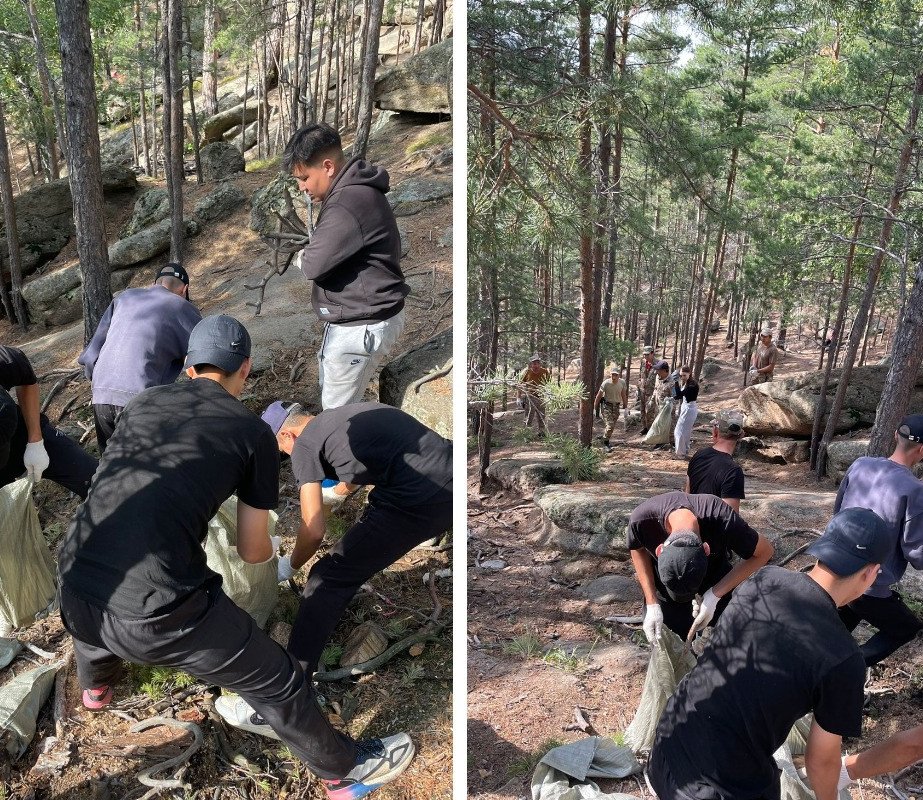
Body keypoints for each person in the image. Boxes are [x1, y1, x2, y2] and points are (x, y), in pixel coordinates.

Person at [56, 315, 414, 799]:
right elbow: (250, 548)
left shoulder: (143, 402)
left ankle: (95, 691)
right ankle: (345, 773)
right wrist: (279, 558)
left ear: (188, 369)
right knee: (279, 680)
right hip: (158, 612)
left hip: (73, 585)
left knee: (97, 605)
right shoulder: (251, 432)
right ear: (244, 369)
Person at [217, 399, 451, 734]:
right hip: (448, 471)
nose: (285, 457)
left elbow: (313, 529)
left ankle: (287, 699)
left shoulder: (304, 447)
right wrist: (337, 494)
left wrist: (291, 566)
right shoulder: (345, 416)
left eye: (281, 449)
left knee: (326, 578)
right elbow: (361, 464)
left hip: (419, 501)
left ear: (289, 436)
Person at [648, 508, 891, 800]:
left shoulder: (765, 579)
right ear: (870, 573)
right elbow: (820, 762)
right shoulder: (844, 658)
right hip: (715, 789)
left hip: (667, 744)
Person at [284, 123, 409, 410]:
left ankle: (343, 454)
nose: (302, 187)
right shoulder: (355, 190)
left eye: (304, 177)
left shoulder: (346, 203)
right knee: (334, 402)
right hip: (357, 316)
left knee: (336, 417)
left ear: (327, 166)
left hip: (361, 324)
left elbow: (312, 265)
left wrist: (304, 255)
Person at [78, 263, 201, 451]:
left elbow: (90, 356)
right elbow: (202, 357)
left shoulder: (124, 297)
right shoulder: (182, 307)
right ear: (185, 290)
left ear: (154, 284)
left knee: (111, 470)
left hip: (101, 395)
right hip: (141, 400)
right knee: (148, 469)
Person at [831, 413, 923, 666]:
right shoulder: (914, 489)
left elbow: (837, 512)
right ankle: (846, 670)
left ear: (895, 436)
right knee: (905, 628)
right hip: (868, 584)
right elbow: (916, 553)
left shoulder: (860, 463)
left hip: (835, 569)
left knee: (833, 631)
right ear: (922, 449)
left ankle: (811, 674)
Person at [628, 490, 773, 643]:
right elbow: (637, 548)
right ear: (659, 550)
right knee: (667, 646)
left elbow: (764, 552)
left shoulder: (721, 518)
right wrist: (652, 603)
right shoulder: (642, 520)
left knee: (717, 648)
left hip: (714, 581)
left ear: (706, 548)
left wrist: (715, 595)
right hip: (666, 588)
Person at [0, 345, 97, 498]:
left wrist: (35, 440)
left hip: (21, 432)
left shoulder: (5, 361)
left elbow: (26, 380)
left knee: (95, 479)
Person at [685, 410, 746, 512]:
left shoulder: (698, 455)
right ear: (741, 434)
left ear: (715, 432)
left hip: (690, 521)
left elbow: (687, 493)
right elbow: (730, 517)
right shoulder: (733, 470)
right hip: (712, 527)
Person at [594, 365, 628, 451]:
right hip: (606, 406)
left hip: (616, 406)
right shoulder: (606, 383)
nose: (614, 377)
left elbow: (623, 394)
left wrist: (625, 405)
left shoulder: (622, 382)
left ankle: (604, 438)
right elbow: (598, 396)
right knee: (610, 425)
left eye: (616, 375)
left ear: (619, 375)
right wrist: (595, 408)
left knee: (611, 426)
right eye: (612, 374)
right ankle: (605, 443)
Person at [642, 361, 673, 448]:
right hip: (657, 407)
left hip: (667, 410)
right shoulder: (657, 377)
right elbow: (655, 390)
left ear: (664, 370)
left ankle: (671, 442)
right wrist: (651, 401)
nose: (656, 372)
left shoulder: (672, 382)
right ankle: (660, 442)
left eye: (658, 370)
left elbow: (675, 397)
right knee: (658, 425)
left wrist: (669, 408)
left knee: (668, 426)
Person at [519, 355, 550, 436]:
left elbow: (549, 384)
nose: (535, 365)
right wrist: (518, 398)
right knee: (528, 417)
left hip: (541, 397)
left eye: (537, 363)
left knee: (542, 416)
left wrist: (548, 394)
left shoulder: (545, 371)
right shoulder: (527, 372)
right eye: (533, 363)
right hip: (530, 398)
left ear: (539, 364)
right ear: (531, 364)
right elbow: (520, 384)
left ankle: (542, 433)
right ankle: (527, 434)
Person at [672, 366, 698, 459]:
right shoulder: (687, 383)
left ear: (689, 373)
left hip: (689, 409)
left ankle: (680, 454)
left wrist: (675, 382)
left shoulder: (693, 385)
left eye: (684, 375)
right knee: (685, 432)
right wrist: (672, 398)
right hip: (686, 408)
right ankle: (684, 451)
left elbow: (679, 395)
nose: (682, 377)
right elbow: (679, 396)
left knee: (679, 431)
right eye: (681, 376)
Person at [637, 346, 656, 433]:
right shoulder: (643, 363)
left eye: (648, 354)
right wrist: (639, 386)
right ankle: (645, 428)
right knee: (642, 411)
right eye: (644, 355)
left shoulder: (658, 364)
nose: (646, 357)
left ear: (652, 353)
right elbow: (640, 375)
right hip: (642, 391)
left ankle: (651, 429)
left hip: (652, 392)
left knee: (650, 412)